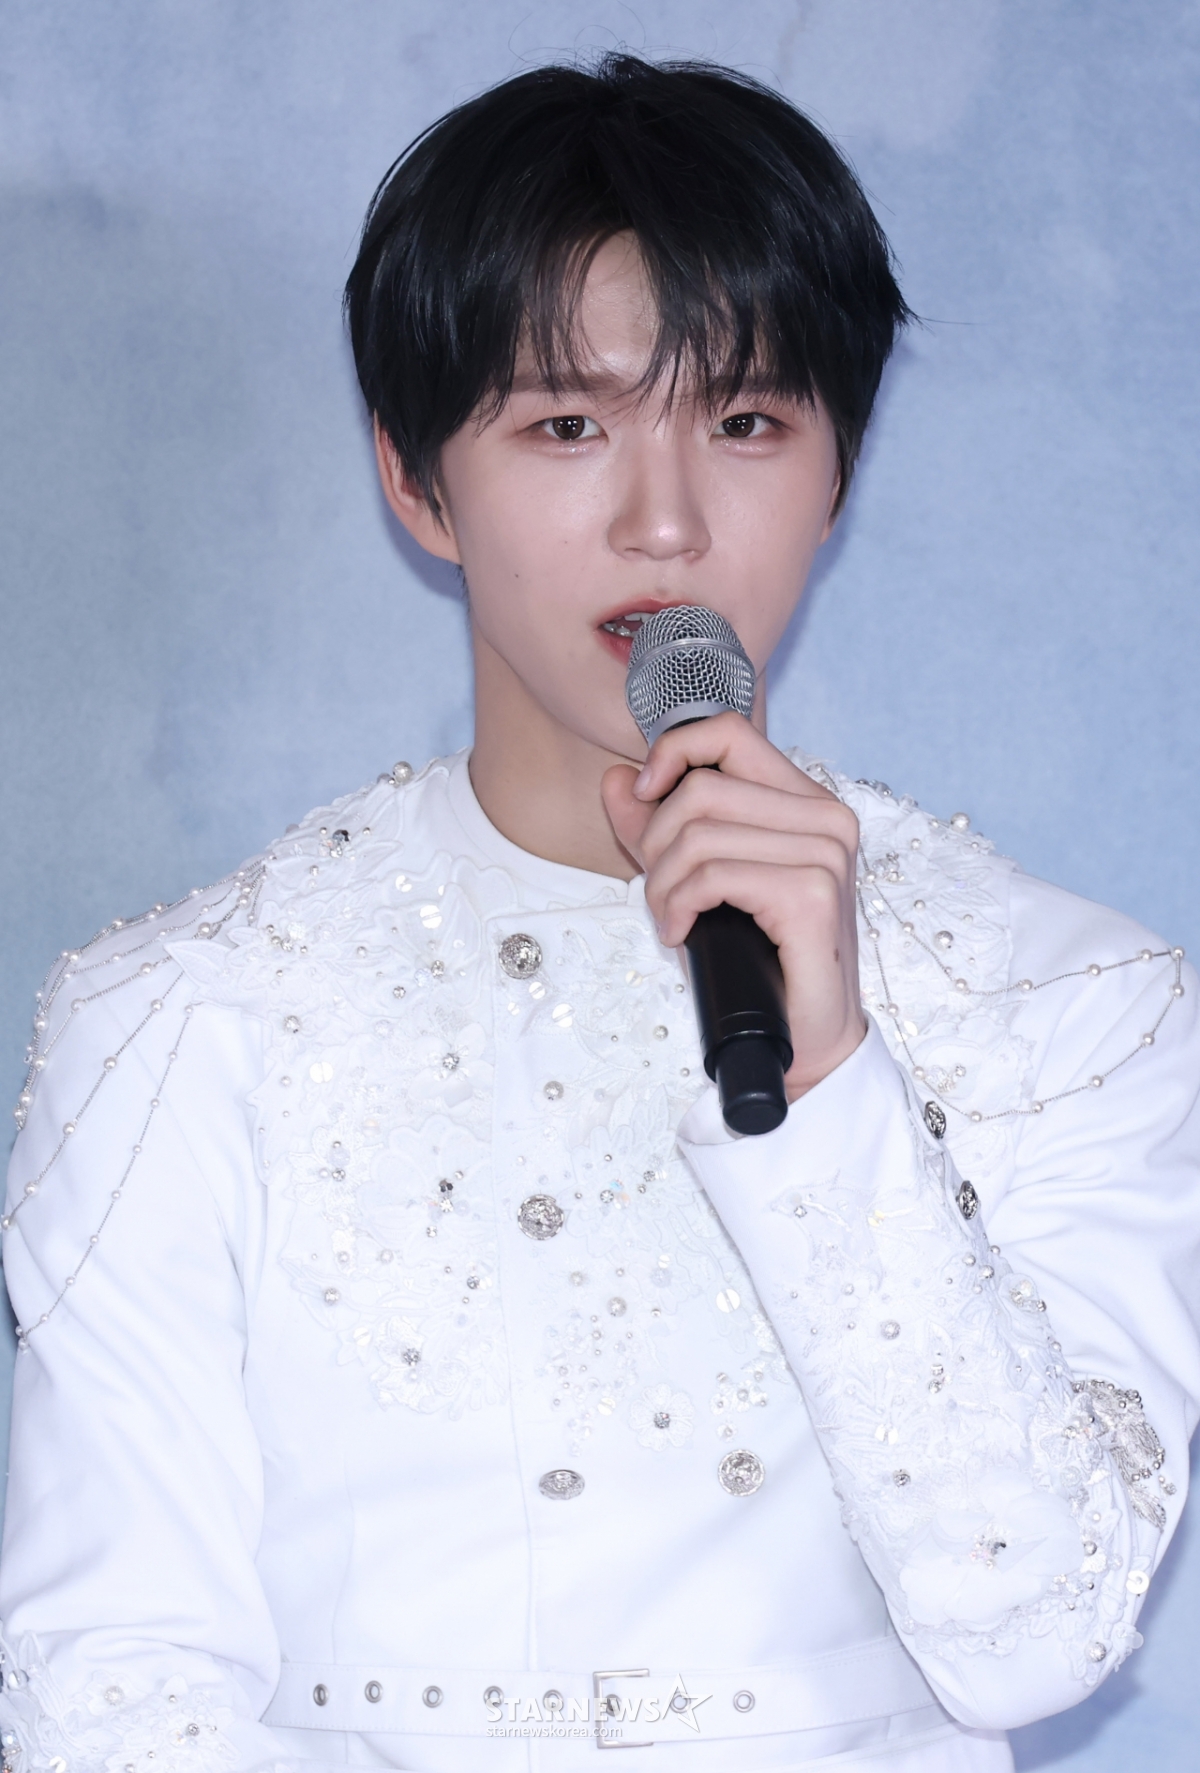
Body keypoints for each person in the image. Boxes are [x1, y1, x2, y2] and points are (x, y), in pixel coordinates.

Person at [1, 52, 1197, 1773]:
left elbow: (1038, 1632)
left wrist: (837, 1078)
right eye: (568, 425)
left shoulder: (1070, 1000)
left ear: (839, 469)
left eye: (746, 422)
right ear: (416, 478)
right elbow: (111, 1695)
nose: (665, 521)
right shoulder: (188, 1019)